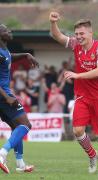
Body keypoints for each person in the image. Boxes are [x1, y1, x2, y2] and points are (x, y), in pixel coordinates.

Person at [49, 12, 98, 174]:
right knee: (77, 130)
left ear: (91, 33)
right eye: (76, 34)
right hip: (82, 96)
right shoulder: (75, 45)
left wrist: (77, 75)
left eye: (82, 33)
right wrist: (53, 23)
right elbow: (58, 37)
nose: (79, 37)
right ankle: (92, 154)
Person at [0, 24, 39, 174]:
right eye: (5, 30)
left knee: (17, 127)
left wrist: (25, 55)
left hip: (3, 95)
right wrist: (7, 98)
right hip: (3, 95)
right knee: (26, 125)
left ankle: (20, 164)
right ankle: (2, 154)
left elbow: (9, 57)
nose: (9, 31)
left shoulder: (5, 51)